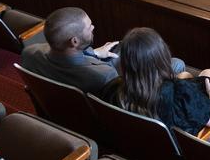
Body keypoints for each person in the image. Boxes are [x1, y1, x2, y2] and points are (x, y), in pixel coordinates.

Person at [21, 8, 184, 95]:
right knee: (176, 64)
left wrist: (93, 53)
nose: (93, 27)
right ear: (75, 41)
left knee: (119, 48)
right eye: (89, 26)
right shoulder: (104, 75)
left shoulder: (29, 53)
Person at [101, 28, 210, 135]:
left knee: (184, 74)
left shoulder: (112, 90)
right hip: (187, 151)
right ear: (162, 56)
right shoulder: (180, 94)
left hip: (145, 147)